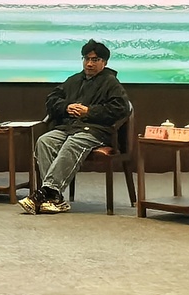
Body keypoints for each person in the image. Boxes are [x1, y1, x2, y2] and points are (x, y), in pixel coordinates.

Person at [19, 39, 130, 215]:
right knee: (45, 141)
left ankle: (47, 192)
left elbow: (120, 109)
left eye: (95, 60)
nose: (89, 63)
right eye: (86, 59)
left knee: (73, 143)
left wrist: (89, 111)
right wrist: (66, 107)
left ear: (104, 62)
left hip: (95, 131)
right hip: (68, 128)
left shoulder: (111, 83)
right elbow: (52, 100)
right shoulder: (74, 80)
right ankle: (54, 197)